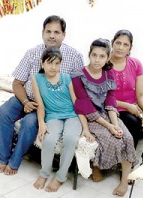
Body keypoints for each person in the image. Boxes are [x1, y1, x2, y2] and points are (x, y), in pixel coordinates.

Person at [0, 15, 84, 175]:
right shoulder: (32, 53)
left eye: (57, 32)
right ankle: (3, 157)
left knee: (29, 123)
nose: (52, 35)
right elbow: (17, 83)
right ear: (42, 33)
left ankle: (14, 161)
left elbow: (78, 87)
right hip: (26, 98)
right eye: (48, 31)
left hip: (49, 105)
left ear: (64, 35)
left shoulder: (74, 56)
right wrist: (24, 101)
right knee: (2, 113)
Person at [71, 38, 138, 197]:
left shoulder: (108, 73)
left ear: (108, 57)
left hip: (108, 114)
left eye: (102, 56)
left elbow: (111, 100)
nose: (97, 59)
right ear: (89, 54)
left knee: (127, 137)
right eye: (94, 55)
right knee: (110, 139)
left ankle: (124, 180)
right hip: (89, 116)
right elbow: (85, 105)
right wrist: (109, 127)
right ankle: (97, 167)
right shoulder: (78, 76)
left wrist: (115, 124)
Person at [31, 47, 82, 192]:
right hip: (53, 116)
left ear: (61, 64)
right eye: (50, 63)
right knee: (48, 139)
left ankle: (60, 177)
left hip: (72, 115)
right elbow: (40, 105)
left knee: (70, 139)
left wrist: (85, 126)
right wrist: (41, 123)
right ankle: (44, 173)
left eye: (57, 63)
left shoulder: (67, 78)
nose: (53, 67)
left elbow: (76, 102)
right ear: (42, 63)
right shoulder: (36, 79)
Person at [110, 29, 143, 164]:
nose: (121, 47)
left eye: (125, 45)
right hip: (114, 108)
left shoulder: (136, 64)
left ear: (130, 48)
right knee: (133, 125)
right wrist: (127, 106)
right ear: (112, 43)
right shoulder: (104, 64)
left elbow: (141, 93)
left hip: (134, 106)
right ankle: (127, 165)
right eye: (118, 43)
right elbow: (102, 97)